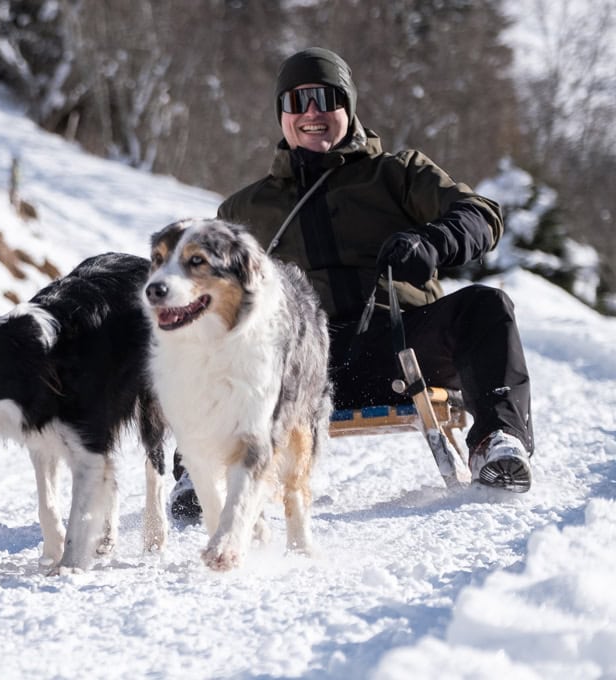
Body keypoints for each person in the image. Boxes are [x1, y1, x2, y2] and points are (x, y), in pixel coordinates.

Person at [170, 47, 534, 520]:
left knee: (485, 306)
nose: (311, 113)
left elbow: (480, 214)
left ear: (348, 106)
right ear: (281, 114)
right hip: (302, 368)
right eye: (296, 102)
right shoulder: (245, 209)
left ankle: (496, 442)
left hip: (401, 349)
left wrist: (431, 242)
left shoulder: (397, 173)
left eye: (326, 99)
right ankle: (199, 472)